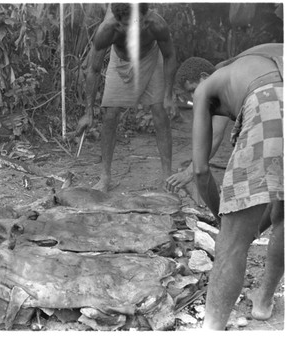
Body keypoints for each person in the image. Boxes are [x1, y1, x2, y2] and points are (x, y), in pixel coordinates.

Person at [179, 43, 283, 330]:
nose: (192, 99)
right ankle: (263, 302)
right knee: (284, 214)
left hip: (270, 99)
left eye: (189, 93)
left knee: (231, 243)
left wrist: (223, 221)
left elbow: (201, 170)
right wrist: (254, 226)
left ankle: (211, 328)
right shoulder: (250, 61)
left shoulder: (206, 88)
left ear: (203, 76)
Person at [73, 3, 177, 192]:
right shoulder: (107, 30)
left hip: (152, 58)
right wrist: (88, 112)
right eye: (126, 25)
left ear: (144, 17)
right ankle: (105, 177)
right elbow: (94, 70)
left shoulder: (156, 24)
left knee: (160, 111)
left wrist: (168, 95)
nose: (131, 29)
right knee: (110, 114)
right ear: (118, 21)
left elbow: (169, 56)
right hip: (121, 63)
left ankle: (167, 176)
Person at [165, 58, 230, 194]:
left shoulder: (224, 84)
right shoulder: (217, 73)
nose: (194, 96)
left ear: (204, 77)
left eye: (193, 90)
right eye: (190, 93)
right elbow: (205, 131)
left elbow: (215, 136)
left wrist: (189, 173)